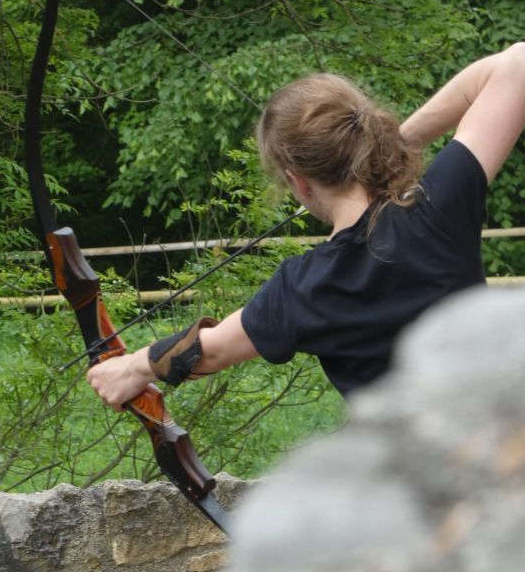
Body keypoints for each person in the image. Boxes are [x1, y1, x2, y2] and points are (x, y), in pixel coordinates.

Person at [87, 44, 525, 408]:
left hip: (420, 477)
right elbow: (518, 63)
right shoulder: (437, 208)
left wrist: (131, 368)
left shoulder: (304, 287)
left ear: (297, 180)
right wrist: (399, 143)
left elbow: (211, 349)